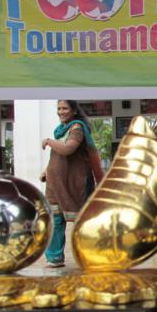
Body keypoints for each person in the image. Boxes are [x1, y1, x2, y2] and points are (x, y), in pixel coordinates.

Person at [42, 100, 103, 268]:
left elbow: (68, 149)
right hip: (55, 184)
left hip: (76, 183)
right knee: (55, 220)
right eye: (59, 109)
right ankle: (54, 257)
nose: (61, 112)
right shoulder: (60, 130)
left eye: (65, 108)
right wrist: (47, 170)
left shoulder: (77, 128)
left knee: (83, 221)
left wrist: (48, 141)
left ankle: (91, 255)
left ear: (74, 111)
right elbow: (57, 156)